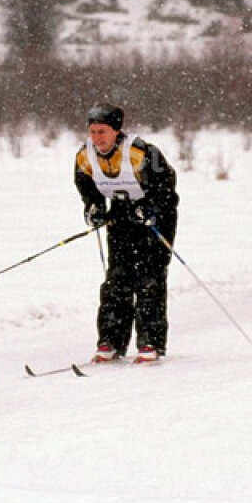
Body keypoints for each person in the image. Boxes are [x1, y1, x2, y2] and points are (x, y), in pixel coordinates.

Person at [74, 103, 179, 363]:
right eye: (92, 132)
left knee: (148, 278)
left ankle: (150, 343)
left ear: (116, 130)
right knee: (116, 279)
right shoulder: (85, 156)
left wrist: (152, 208)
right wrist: (95, 207)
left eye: (102, 132)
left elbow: (168, 189)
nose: (97, 138)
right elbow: (86, 186)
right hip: (121, 213)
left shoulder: (141, 152)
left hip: (155, 219)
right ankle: (110, 341)